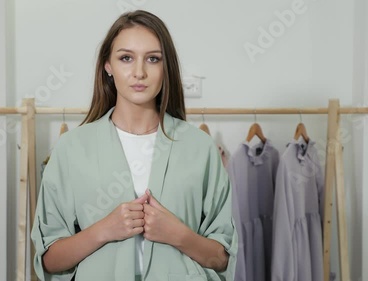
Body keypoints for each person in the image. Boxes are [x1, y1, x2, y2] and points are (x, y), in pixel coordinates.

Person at [31, 10, 237, 281]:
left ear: (166, 68)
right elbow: (49, 260)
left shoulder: (200, 147)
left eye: (153, 59)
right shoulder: (71, 148)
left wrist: (178, 234)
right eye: (126, 58)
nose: (139, 72)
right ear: (108, 66)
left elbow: (221, 258)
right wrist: (105, 229)